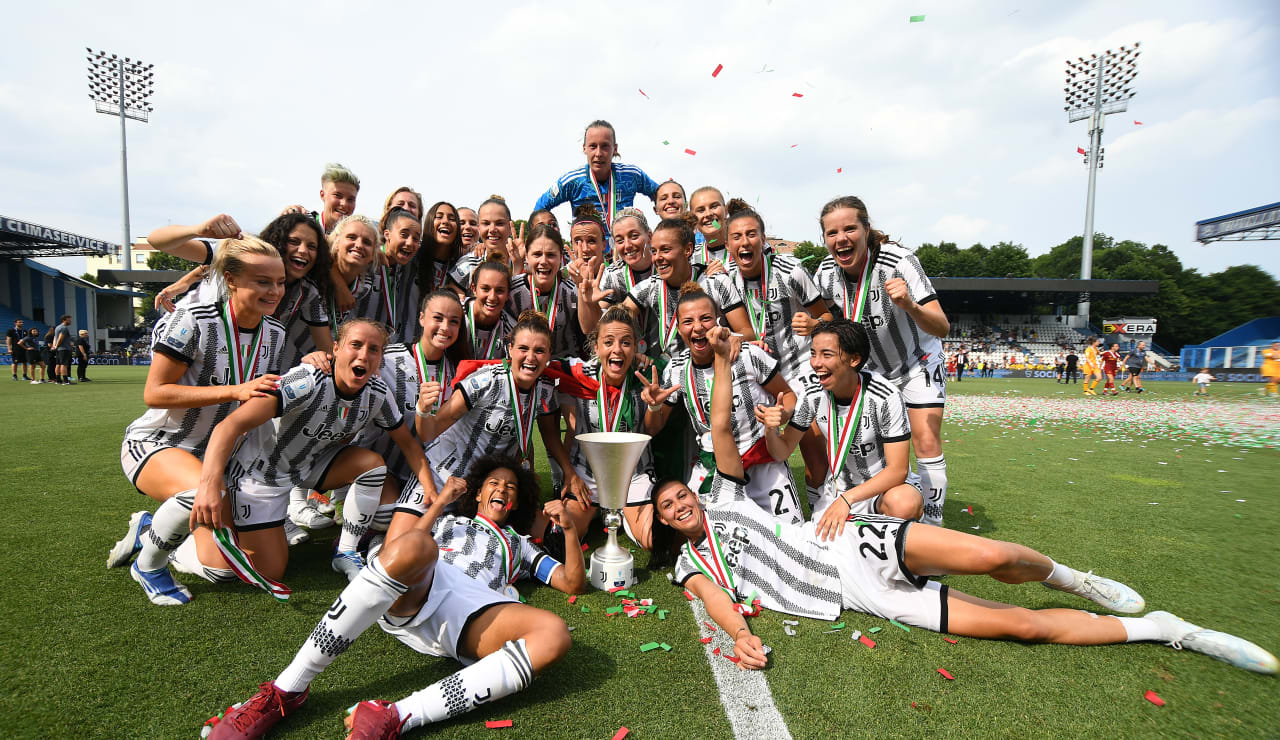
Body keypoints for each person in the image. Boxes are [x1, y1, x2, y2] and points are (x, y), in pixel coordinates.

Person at [651, 325, 1277, 675]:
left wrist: (731, 362)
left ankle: (1075, 579)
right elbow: (715, 600)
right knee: (1021, 627)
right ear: (661, 524)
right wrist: (740, 636)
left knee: (991, 555)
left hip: (845, 542)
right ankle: (1167, 630)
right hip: (856, 595)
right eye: (666, 506)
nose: (679, 503)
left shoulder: (729, 498)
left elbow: (727, 433)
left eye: (682, 492)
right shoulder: (688, 565)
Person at [204, 461, 574, 739]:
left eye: (511, 487)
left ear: (516, 502)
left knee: (555, 634)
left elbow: (571, 583)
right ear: (478, 493)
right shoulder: (447, 522)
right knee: (416, 543)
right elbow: (406, 546)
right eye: (494, 482)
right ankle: (286, 691)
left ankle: (395, 716)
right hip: (423, 582)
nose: (503, 489)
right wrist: (442, 501)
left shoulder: (519, 543)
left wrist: (570, 531)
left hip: (474, 610)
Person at [109, 236, 287, 606]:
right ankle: (150, 564)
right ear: (232, 279)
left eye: (280, 282)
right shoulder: (192, 319)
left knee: (249, 567)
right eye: (263, 281)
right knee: (201, 493)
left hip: (222, 459)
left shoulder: (276, 333)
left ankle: (153, 527)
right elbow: (155, 392)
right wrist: (234, 390)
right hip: (161, 444)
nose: (275, 291)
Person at [190, 318, 437, 586]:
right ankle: (178, 547)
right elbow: (230, 426)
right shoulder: (307, 379)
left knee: (372, 464)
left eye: (374, 349)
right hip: (261, 475)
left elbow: (409, 444)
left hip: (307, 467)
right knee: (262, 570)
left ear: (380, 359)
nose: (364, 355)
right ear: (336, 348)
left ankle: (347, 552)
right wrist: (209, 483)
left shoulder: (377, 392)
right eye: (355, 345)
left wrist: (430, 491)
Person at [812, 196, 951, 526]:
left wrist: (911, 306)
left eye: (849, 229)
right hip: (871, 371)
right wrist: (813, 324)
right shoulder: (826, 274)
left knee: (926, 439)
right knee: (871, 449)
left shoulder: (899, 261)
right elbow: (823, 322)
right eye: (832, 233)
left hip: (917, 362)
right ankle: (882, 507)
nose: (841, 238)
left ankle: (932, 529)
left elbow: (942, 325)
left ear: (866, 229)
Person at [641, 284, 802, 523]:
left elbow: (788, 396)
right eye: (688, 321)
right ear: (678, 328)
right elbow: (653, 428)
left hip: (762, 462)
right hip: (713, 467)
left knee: (787, 539)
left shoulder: (748, 355)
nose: (697, 327)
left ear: (718, 321)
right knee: (716, 546)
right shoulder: (676, 370)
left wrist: (781, 413)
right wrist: (654, 406)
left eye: (705, 318)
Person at [721, 200, 832, 507]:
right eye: (737, 237)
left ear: (763, 238)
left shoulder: (791, 270)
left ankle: (821, 510)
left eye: (752, 234)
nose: (745, 242)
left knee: (811, 436)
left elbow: (828, 319)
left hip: (797, 369)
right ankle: (750, 505)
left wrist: (812, 323)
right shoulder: (723, 279)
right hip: (756, 374)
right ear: (728, 244)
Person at [761, 319, 925, 526]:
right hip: (838, 491)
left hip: (883, 491)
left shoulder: (885, 396)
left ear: (854, 359)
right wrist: (770, 430)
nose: (815, 363)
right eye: (813, 353)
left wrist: (848, 500)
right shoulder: (812, 395)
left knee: (904, 503)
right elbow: (782, 451)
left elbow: (898, 470)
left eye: (826, 354)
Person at [399, 311, 565, 511]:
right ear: (510, 349)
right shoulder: (486, 381)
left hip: (485, 492)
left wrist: (568, 474)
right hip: (443, 476)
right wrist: (423, 410)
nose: (531, 357)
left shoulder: (545, 391)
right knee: (405, 539)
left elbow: (535, 437)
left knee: (537, 530)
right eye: (523, 348)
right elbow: (428, 432)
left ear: (549, 354)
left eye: (539, 351)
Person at [548, 307, 657, 549]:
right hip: (586, 476)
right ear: (595, 348)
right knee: (562, 535)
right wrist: (569, 473)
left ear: (636, 348)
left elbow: (654, 429)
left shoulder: (648, 377)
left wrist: (655, 406)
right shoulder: (578, 373)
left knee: (652, 540)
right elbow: (534, 363)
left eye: (626, 343)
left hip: (634, 474)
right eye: (608, 342)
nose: (617, 349)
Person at [534, 119, 660, 244]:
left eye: (605, 146)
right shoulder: (573, 181)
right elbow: (540, 208)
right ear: (584, 149)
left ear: (615, 148)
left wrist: (669, 227)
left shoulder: (631, 175)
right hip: (587, 255)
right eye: (593, 146)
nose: (598, 153)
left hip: (625, 252)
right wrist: (548, 241)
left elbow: (661, 194)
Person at [506, 225, 583, 359]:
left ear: (561, 258)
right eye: (537, 254)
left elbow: (590, 330)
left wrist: (584, 294)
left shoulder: (573, 292)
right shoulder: (511, 292)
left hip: (563, 369)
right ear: (527, 257)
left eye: (551, 255)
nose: (543, 261)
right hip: (524, 366)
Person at [280, 163, 360, 235]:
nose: (344, 203)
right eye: (337, 195)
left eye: (350, 199)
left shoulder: (355, 237)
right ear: (322, 195)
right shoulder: (306, 221)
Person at [461, 261, 516, 361]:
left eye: (499, 291)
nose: (492, 297)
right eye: (485, 289)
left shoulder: (512, 331)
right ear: (474, 289)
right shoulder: (455, 316)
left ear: (508, 294)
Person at [688, 187, 729, 265]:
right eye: (701, 210)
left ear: (726, 210)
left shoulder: (741, 247)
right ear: (693, 218)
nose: (708, 214)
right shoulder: (690, 256)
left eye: (714, 206)